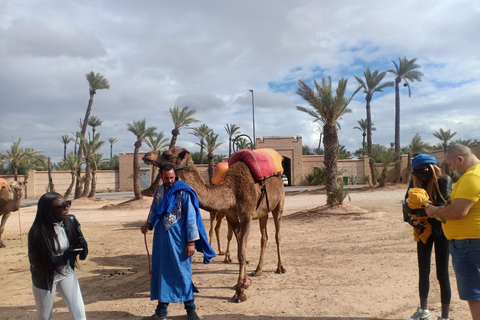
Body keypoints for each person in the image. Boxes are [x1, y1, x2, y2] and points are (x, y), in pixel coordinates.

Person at [141, 164, 215, 320]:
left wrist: (191, 243)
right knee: (162, 273)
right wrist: (149, 223)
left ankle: (191, 310)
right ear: (161, 176)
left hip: (179, 242)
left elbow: (191, 218)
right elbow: (155, 211)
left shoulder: (183, 192)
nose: (169, 180)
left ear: (175, 176)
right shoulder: (159, 191)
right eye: (166, 178)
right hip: (161, 240)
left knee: (182, 273)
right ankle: (161, 312)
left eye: (171, 177)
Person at [426, 144, 480, 320]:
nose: (449, 169)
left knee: (475, 293)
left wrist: (436, 212)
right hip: (471, 242)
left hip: (469, 244)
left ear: (460, 159)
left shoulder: (471, 177)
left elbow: (458, 211)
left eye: (450, 164)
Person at [402, 154, 452, 320]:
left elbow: (441, 207)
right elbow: (405, 203)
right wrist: (411, 221)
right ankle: (423, 311)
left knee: (442, 273)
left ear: (431, 169)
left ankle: (444, 317)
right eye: (416, 173)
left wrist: (414, 211)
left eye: (423, 172)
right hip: (423, 229)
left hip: (441, 230)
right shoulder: (415, 181)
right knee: (423, 270)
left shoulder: (443, 180)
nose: (420, 176)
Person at [28, 192, 88, 320]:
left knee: (80, 314)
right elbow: (40, 263)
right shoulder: (37, 233)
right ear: (49, 211)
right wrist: (66, 256)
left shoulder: (69, 221)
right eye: (62, 206)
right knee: (44, 317)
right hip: (46, 278)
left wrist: (82, 247)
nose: (66, 208)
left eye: (67, 204)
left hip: (67, 273)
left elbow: (79, 241)